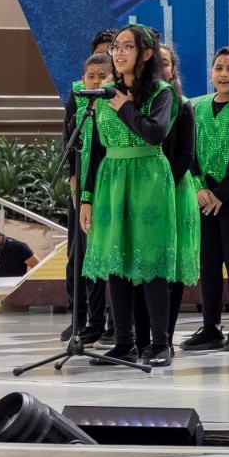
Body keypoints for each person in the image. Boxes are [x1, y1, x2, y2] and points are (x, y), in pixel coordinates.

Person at [79, 24, 181, 365]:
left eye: (127, 47)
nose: (118, 53)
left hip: (148, 178)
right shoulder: (103, 92)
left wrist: (125, 107)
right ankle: (124, 341)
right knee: (116, 262)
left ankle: (161, 342)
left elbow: (155, 134)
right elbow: (92, 149)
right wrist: (87, 196)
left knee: (150, 263)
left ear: (146, 54)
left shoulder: (162, 92)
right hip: (111, 178)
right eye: (116, 47)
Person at [183, 46, 229, 352]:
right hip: (202, 197)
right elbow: (190, 151)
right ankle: (210, 326)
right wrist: (200, 187)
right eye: (219, 68)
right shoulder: (197, 108)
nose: (224, 74)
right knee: (209, 263)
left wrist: (222, 193)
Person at [65, 48, 114, 342]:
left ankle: (118, 324)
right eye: (91, 77)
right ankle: (92, 323)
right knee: (89, 259)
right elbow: (72, 149)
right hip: (86, 191)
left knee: (114, 259)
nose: (96, 83)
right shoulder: (80, 107)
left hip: (112, 185)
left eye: (102, 77)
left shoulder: (119, 106)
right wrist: (78, 190)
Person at [155, 44, 200, 346]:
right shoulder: (132, 105)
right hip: (139, 196)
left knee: (170, 269)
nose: (160, 68)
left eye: (166, 63)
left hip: (174, 190)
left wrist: (159, 184)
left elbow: (186, 155)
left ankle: (165, 337)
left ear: (173, 70)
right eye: (154, 62)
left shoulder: (183, 106)